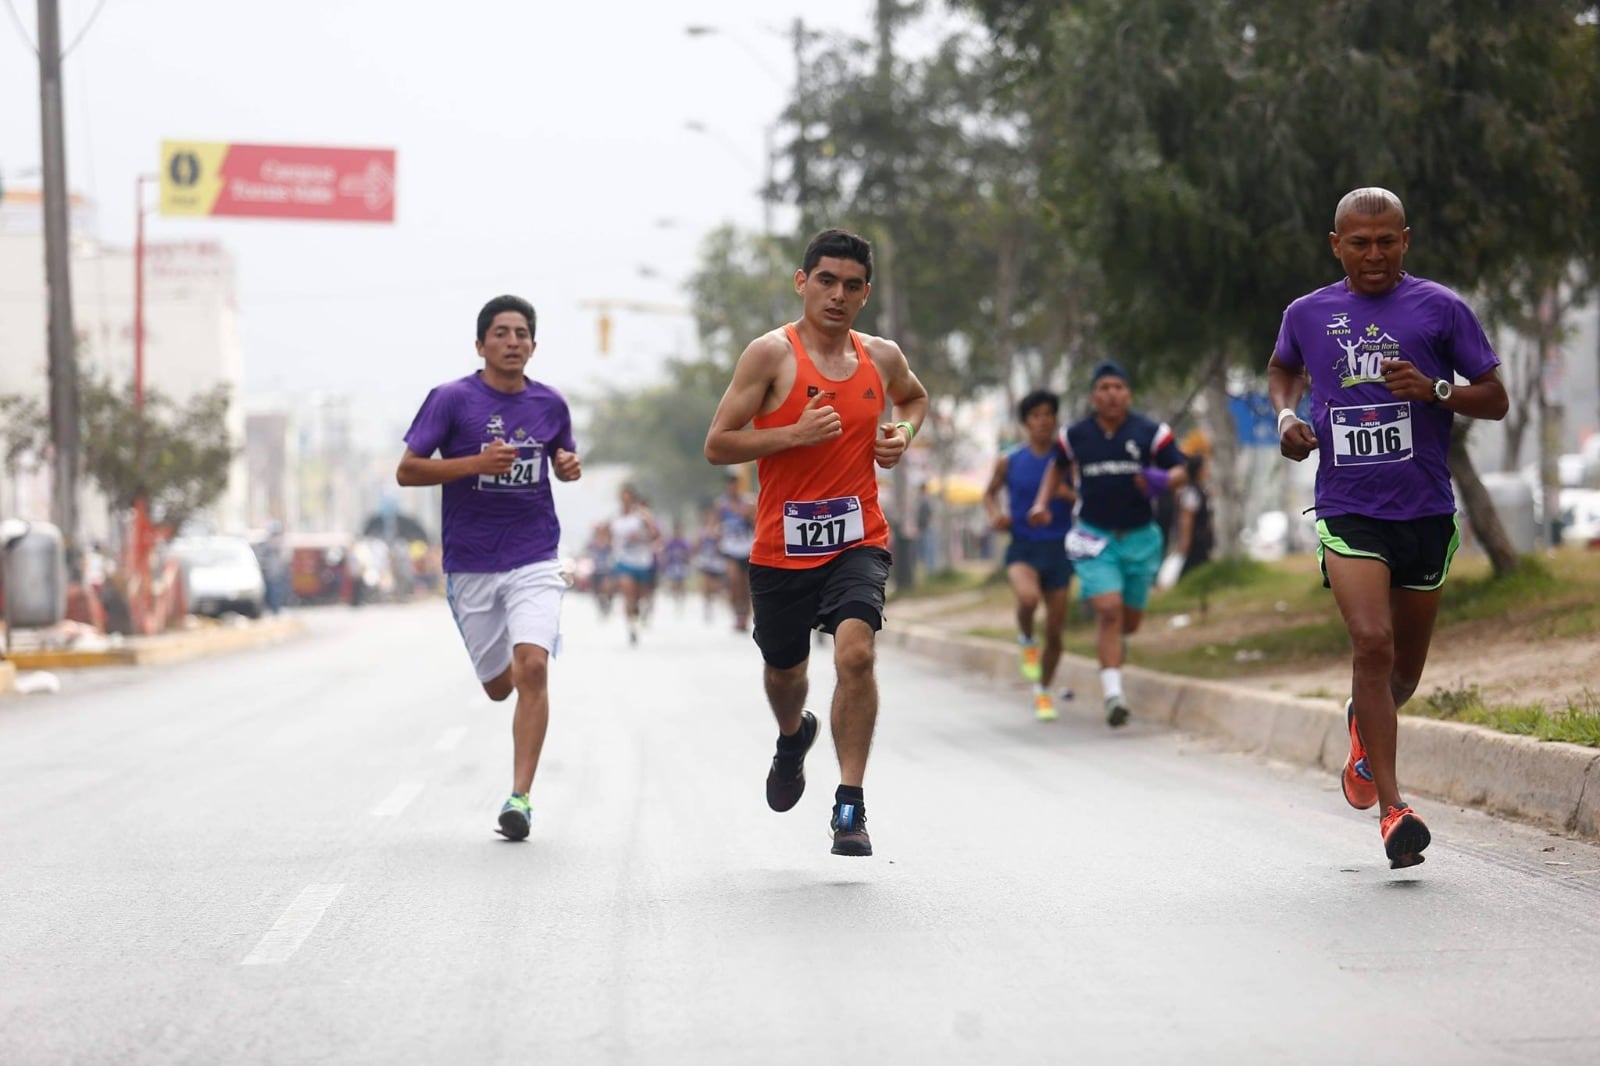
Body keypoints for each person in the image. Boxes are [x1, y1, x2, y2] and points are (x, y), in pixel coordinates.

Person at [1268, 187, 1507, 870]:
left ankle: (1361, 724)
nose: (1373, 254)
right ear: (1335, 245)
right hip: (1348, 507)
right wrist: (1286, 419)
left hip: (1425, 510)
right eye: (1359, 242)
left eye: (1386, 241)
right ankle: (1394, 809)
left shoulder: (1441, 308)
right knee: (1371, 643)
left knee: (1401, 673)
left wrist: (1434, 390)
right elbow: (1282, 369)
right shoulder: (1307, 313)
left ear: (1405, 240)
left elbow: (1495, 397)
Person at [703, 227, 929, 857]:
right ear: (802, 282)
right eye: (825, 280)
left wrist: (903, 432)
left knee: (855, 654)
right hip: (782, 548)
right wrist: (791, 436)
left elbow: (914, 397)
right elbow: (718, 443)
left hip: (859, 535)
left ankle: (850, 803)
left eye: (851, 285)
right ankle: (790, 737)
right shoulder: (769, 356)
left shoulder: (881, 357)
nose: (837, 294)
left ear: (865, 294)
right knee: (786, 673)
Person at [396, 294, 582, 842]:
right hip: (472, 563)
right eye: (500, 333)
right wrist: (476, 464)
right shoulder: (452, 400)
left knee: (533, 667)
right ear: (480, 345)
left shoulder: (550, 404)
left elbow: (563, 461)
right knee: (500, 687)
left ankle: (519, 797)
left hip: (534, 556)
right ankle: (504, 679)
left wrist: (568, 467)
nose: (512, 342)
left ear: (533, 345)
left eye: (521, 333)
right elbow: (408, 471)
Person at [1031, 360, 1188, 729]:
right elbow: (1056, 467)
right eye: (1104, 388)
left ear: (1128, 394)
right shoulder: (1075, 435)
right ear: (1093, 396)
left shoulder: (1152, 432)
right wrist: (1041, 503)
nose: (1111, 394)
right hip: (1093, 535)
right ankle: (1114, 695)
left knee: (1128, 622)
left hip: (1141, 537)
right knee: (1109, 610)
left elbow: (1182, 470)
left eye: (1118, 387)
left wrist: (1161, 479)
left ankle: (1117, 649)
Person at [982, 388, 1077, 722]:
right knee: (1027, 598)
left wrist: (1064, 492)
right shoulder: (1009, 461)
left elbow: (1084, 497)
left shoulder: (1067, 461)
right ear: (1026, 422)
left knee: (1055, 630)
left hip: (1060, 548)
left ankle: (1043, 691)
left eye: (1049, 414)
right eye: (1036, 415)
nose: (1043, 420)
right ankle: (1025, 636)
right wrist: (996, 516)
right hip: (1023, 544)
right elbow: (989, 495)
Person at [1155, 430, 1215, 590]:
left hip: (1201, 541)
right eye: (1205, 467)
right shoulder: (1190, 492)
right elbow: (1186, 519)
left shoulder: (1200, 490)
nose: (1208, 470)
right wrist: (1185, 544)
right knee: (1189, 573)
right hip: (1194, 542)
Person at [609, 484, 660, 645]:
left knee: (639, 598)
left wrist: (642, 535)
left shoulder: (642, 515)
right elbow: (610, 536)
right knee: (628, 594)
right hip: (624, 561)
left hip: (643, 562)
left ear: (633, 499)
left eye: (628, 498)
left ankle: (637, 616)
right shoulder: (615, 517)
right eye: (622, 498)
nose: (625, 501)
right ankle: (631, 628)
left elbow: (655, 535)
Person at [715, 471, 757, 631]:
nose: (732, 487)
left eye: (735, 484)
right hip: (730, 548)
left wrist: (747, 516)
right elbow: (716, 524)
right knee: (733, 581)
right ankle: (736, 613)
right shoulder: (722, 504)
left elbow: (757, 523)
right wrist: (717, 537)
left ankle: (744, 617)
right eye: (729, 484)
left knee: (746, 585)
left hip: (747, 548)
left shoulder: (749, 503)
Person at [693, 504, 729, 621]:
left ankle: (716, 600)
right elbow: (696, 545)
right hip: (705, 560)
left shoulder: (721, 529)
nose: (711, 519)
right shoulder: (703, 530)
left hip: (717, 562)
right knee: (706, 584)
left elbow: (724, 544)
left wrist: (718, 541)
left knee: (715, 587)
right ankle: (707, 605)